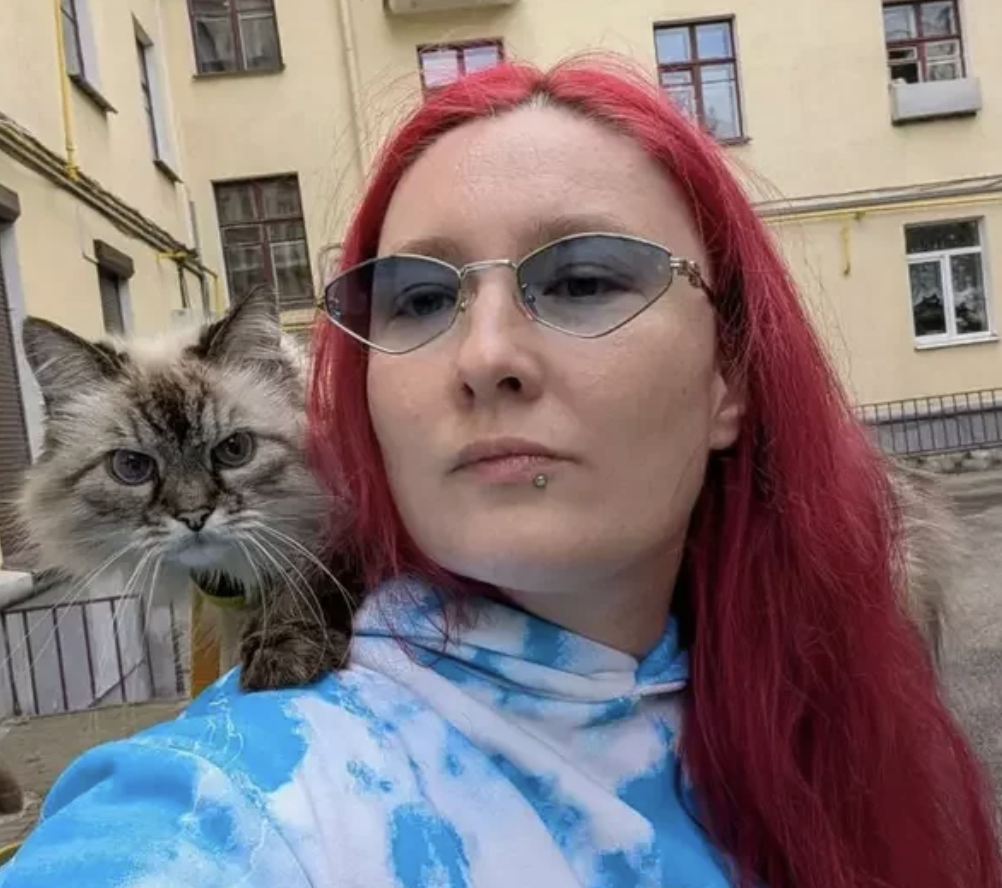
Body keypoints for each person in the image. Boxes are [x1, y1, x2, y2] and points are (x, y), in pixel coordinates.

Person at [1, 57, 998, 888]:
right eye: (420, 300)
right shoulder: (237, 809)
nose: (485, 355)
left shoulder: (854, 682)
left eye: (582, 279)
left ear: (727, 379)